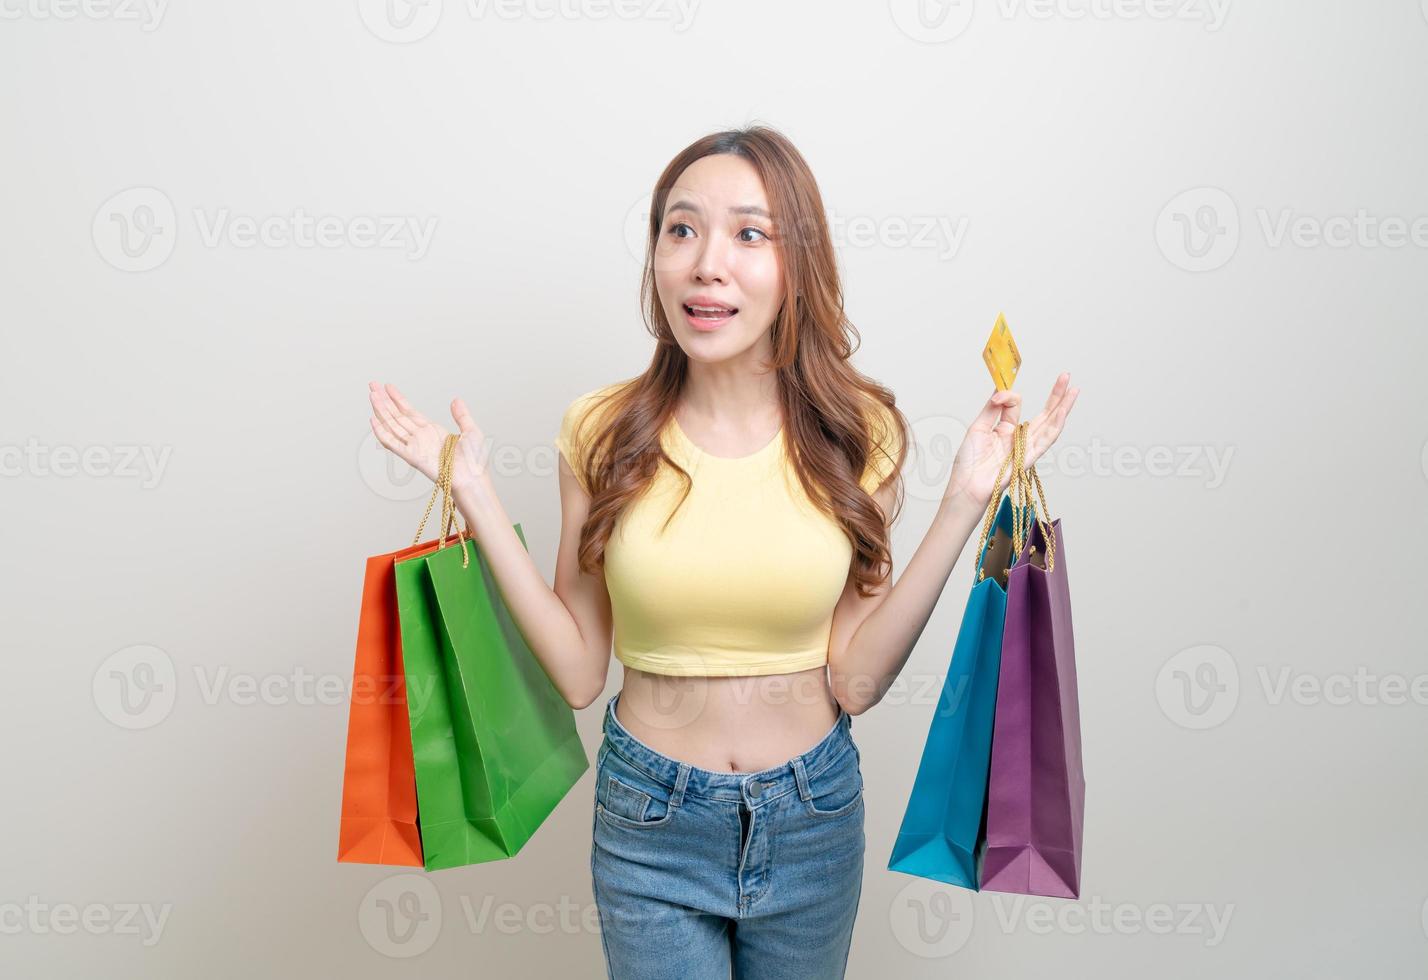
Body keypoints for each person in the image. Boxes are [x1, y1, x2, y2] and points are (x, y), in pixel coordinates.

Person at [366, 124, 1079, 979]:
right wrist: (477, 494)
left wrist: (965, 501)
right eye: (681, 228)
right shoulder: (600, 431)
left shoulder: (858, 434)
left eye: (749, 233)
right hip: (648, 819)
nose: (708, 263)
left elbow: (856, 680)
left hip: (813, 812)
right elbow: (580, 671)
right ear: (656, 258)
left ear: (797, 266)